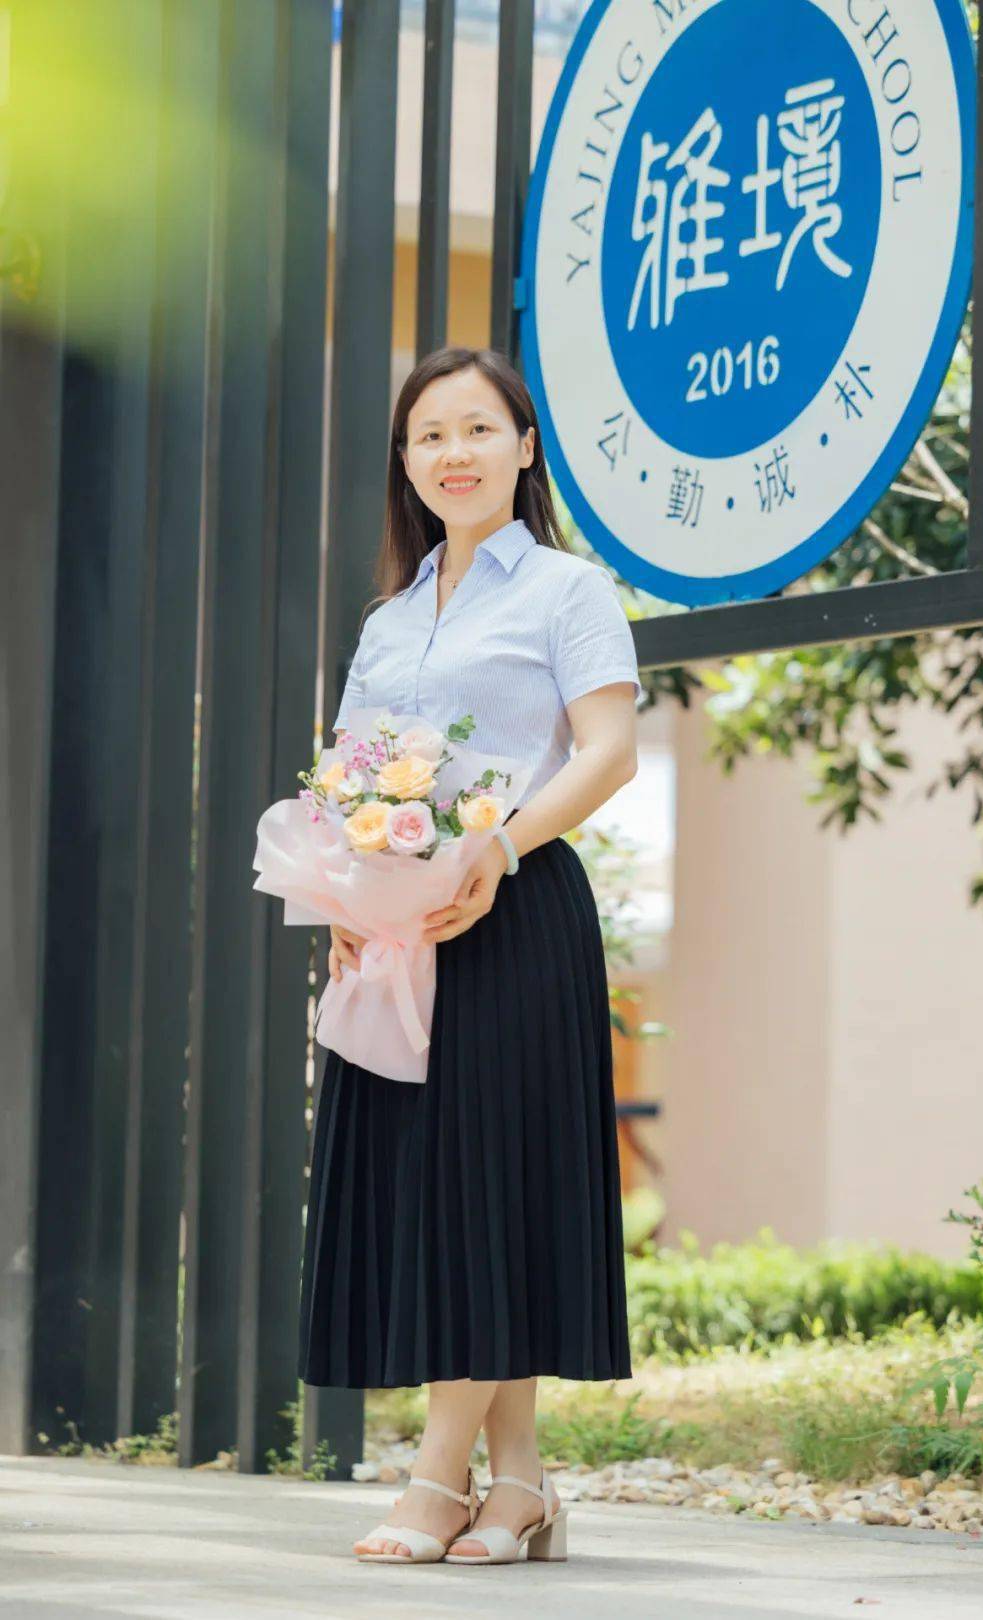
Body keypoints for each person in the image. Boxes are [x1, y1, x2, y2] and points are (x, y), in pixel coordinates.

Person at [296, 344, 642, 1567]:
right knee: (437, 1193)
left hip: (517, 911)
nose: (453, 451)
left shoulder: (566, 590)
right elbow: (346, 779)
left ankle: (439, 1479)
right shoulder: (387, 620)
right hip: (400, 931)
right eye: (429, 434)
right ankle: (524, 1485)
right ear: (407, 462)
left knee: (487, 1181)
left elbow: (607, 752)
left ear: (526, 448)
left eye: (478, 428)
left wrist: (495, 846)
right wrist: (344, 889)